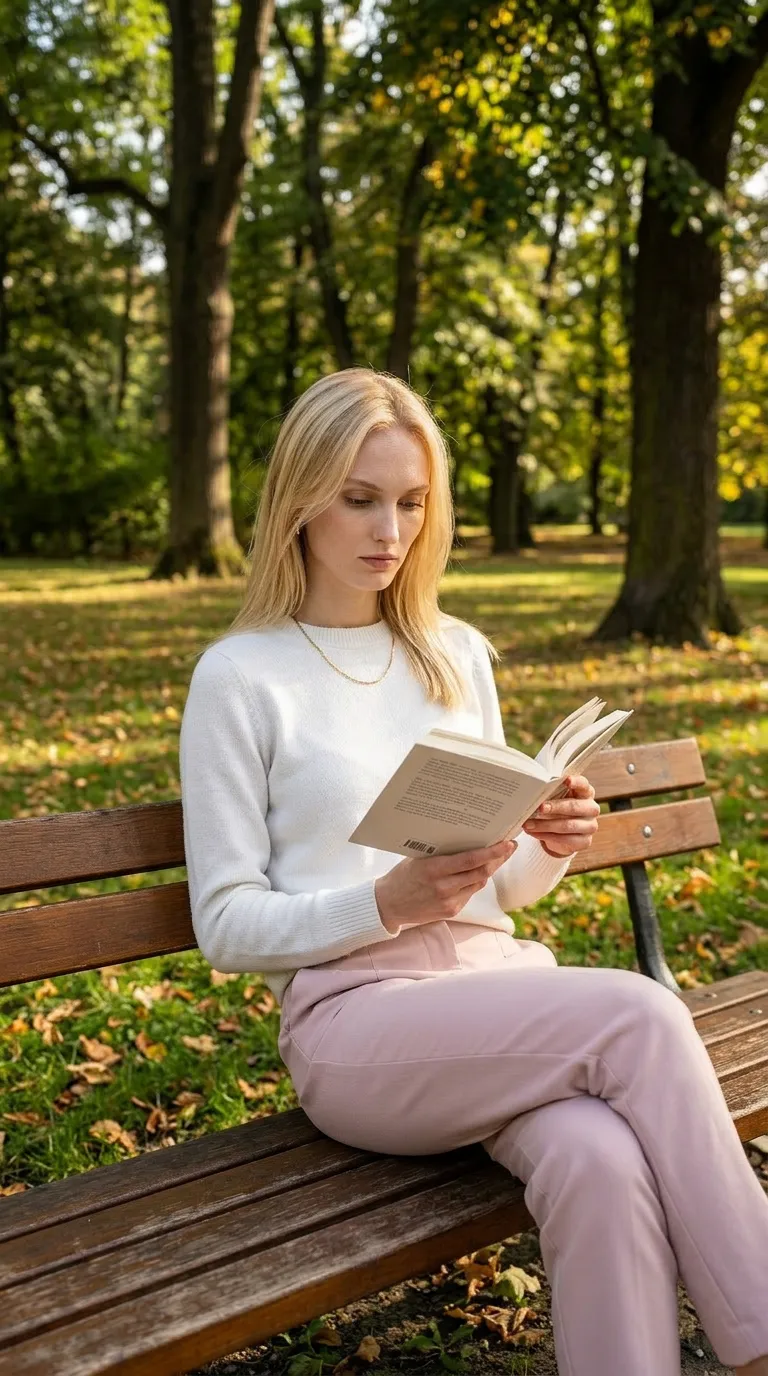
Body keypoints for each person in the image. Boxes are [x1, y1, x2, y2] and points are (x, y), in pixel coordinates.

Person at [179, 368, 768, 1376]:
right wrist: (382, 902)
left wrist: (547, 837)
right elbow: (225, 923)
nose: (391, 529)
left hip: (494, 996)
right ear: (301, 496)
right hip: (355, 1024)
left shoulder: (456, 652)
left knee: (598, 1156)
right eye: (361, 497)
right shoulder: (240, 675)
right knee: (642, 1013)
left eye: (411, 501)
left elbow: (502, 889)